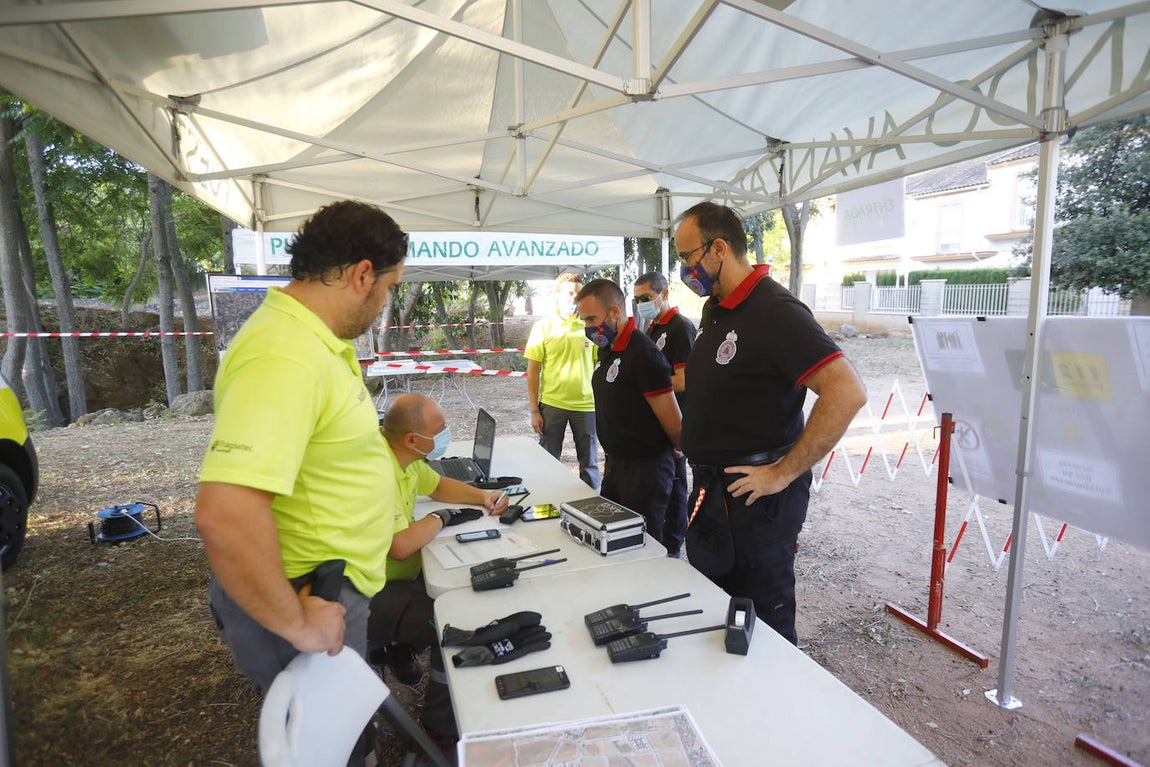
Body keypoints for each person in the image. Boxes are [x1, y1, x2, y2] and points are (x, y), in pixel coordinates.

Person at [196, 201, 406, 736]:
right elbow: (225, 514)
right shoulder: (284, 354)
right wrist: (296, 622)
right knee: (332, 743)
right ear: (363, 274)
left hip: (321, 586)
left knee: (342, 735)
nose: (385, 303)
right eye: (389, 287)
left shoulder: (313, 340)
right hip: (304, 595)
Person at [676, 201, 867, 645]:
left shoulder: (776, 311)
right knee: (717, 617)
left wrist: (783, 473)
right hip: (714, 494)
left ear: (718, 248)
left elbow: (846, 391)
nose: (684, 268)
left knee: (764, 630)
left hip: (756, 506)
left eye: (688, 256)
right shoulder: (717, 307)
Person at [369, 393, 507, 736]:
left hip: (396, 581)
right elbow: (400, 546)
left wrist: (482, 496)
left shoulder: (407, 458)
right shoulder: (378, 473)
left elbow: (438, 485)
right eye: (441, 428)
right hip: (370, 593)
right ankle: (439, 726)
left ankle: (399, 652)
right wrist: (439, 519)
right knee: (457, 620)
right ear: (413, 439)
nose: (446, 433)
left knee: (456, 594)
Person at [574, 278, 681, 548]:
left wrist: (679, 445)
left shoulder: (643, 354)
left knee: (644, 546)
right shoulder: (606, 349)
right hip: (616, 465)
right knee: (616, 542)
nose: (588, 327)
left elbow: (672, 418)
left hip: (645, 472)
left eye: (591, 319)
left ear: (615, 312)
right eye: (584, 321)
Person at [634, 271, 697, 557]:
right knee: (659, 489)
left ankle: (673, 548)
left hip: (675, 421)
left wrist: (648, 387)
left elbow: (684, 380)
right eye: (637, 300)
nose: (641, 304)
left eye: (646, 298)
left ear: (664, 294)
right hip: (653, 424)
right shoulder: (652, 327)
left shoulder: (679, 328)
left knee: (675, 490)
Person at [525, 272, 600, 490]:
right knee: (548, 462)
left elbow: (597, 366)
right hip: (552, 405)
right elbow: (533, 371)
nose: (573, 297)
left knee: (590, 465)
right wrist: (533, 410)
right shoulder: (543, 327)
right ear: (557, 295)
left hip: (586, 406)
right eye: (569, 293)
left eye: (578, 293)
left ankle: (592, 510)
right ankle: (547, 503)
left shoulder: (591, 328)